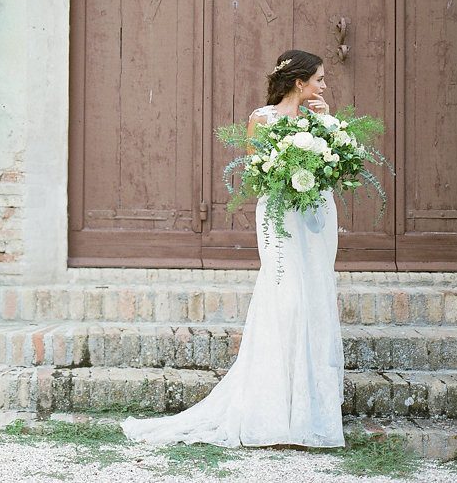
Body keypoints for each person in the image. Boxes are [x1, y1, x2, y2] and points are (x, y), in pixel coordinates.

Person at [121, 50, 345, 448]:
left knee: (312, 300)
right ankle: (271, 412)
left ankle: (307, 413)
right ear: (299, 82)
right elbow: (258, 175)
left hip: (312, 218)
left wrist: (326, 122)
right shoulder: (263, 119)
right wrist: (288, 176)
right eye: (319, 80)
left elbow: (336, 165)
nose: (323, 86)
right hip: (280, 216)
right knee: (285, 299)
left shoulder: (317, 119)